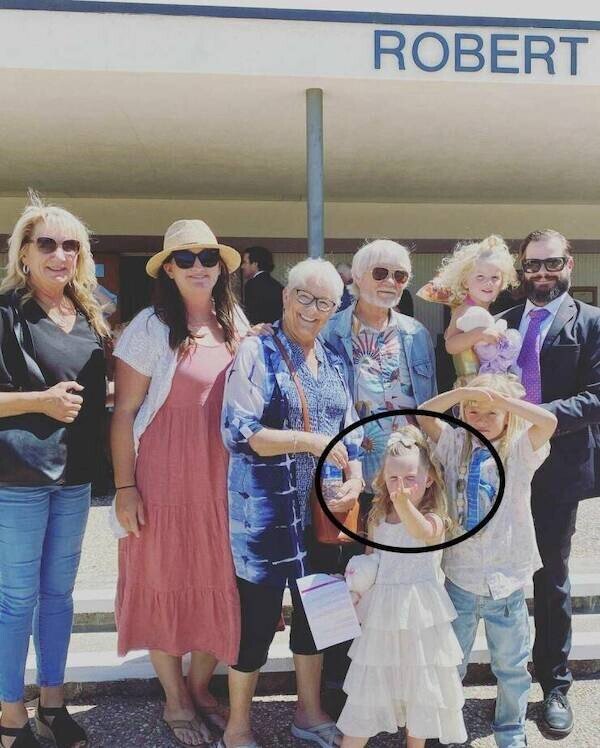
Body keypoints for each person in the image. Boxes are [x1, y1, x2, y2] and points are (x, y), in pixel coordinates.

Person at [111, 219, 249, 747]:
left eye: (208, 257)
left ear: (221, 266)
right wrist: (125, 488)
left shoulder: (234, 321)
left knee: (222, 577)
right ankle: (174, 698)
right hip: (165, 473)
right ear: (168, 269)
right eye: (185, 258)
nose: (198, 267)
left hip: (224, 477)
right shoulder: (149, 327)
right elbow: (124, 413)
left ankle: (197, 687)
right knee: (163, 577)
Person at [220, 258, 364, 748]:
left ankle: (309, 713)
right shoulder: (256, 350)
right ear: (285, 296)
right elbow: (239, 431)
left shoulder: (335, 357)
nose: (312, 309)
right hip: (265, 515)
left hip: (322, 515)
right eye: (303, 296)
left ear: (335, 309)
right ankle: (238, 727)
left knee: (317, 615)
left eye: (324, 302)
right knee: (257, 621)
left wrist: (356, 477)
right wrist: (308, 441)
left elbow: (351, 432)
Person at [0, 194, 109, 748]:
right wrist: (39, 402)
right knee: (17, 598)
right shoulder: (5, 312)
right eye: (46, 243)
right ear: (23, 252)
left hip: (76, 476)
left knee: (59, 596)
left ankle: (53, 704)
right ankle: (10, 714)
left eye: (71, 245)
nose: (59, 254)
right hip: (19, 477)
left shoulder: (89, 313)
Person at [417, 373, 557, 748]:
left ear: (508, 417)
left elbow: (549, 422)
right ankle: (448, 725)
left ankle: (510, 727)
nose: (480, 419)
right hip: (460, 577)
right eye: (472, 411)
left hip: (505, 579)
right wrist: (464, 392)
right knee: (452, 660)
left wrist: (505, 402)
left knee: (511, 665)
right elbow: (424, 414)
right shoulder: (454, 444)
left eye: (490, 413)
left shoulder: (521, 450)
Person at [500, 229, 600, 736]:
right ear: (521, 269)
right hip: (498, 466)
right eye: (533, 265)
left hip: (557, 468)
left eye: (552, 263)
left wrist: (534, 417)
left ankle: (555, 684)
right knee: (487, 573)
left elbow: (597, 396)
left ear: (569, 265)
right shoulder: (499, 321)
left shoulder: (593, 322)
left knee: (550, 577)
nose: (542, 273)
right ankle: (500, 678)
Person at [337, 426, 467, 748]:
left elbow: (421, 532)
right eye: (393, 479)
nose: (401, 487)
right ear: (383, 478)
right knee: (368, 690)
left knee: (420, 689)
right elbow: (371, 561)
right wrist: (355, 587)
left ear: (429, 478)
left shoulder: (435, 517)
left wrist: (404, 503)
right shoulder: (378, 516)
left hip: (420, 617)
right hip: (382, 616)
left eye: (410, 478)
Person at [417, 236, 520, 384]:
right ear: (465, 281)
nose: (488, 283)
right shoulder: (464, 309)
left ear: (503, 282)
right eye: (480, 277)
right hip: (470, 386)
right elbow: (450, 345)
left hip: (488, 383)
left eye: (495, 277)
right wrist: (479, 334)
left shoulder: (483, 311)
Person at [241, 245, 283, 325]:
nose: (242, 266)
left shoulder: (252, 285)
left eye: (245, 262)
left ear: (255, 264)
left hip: (259, 330)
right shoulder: (278, 285)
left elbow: (250, 316)